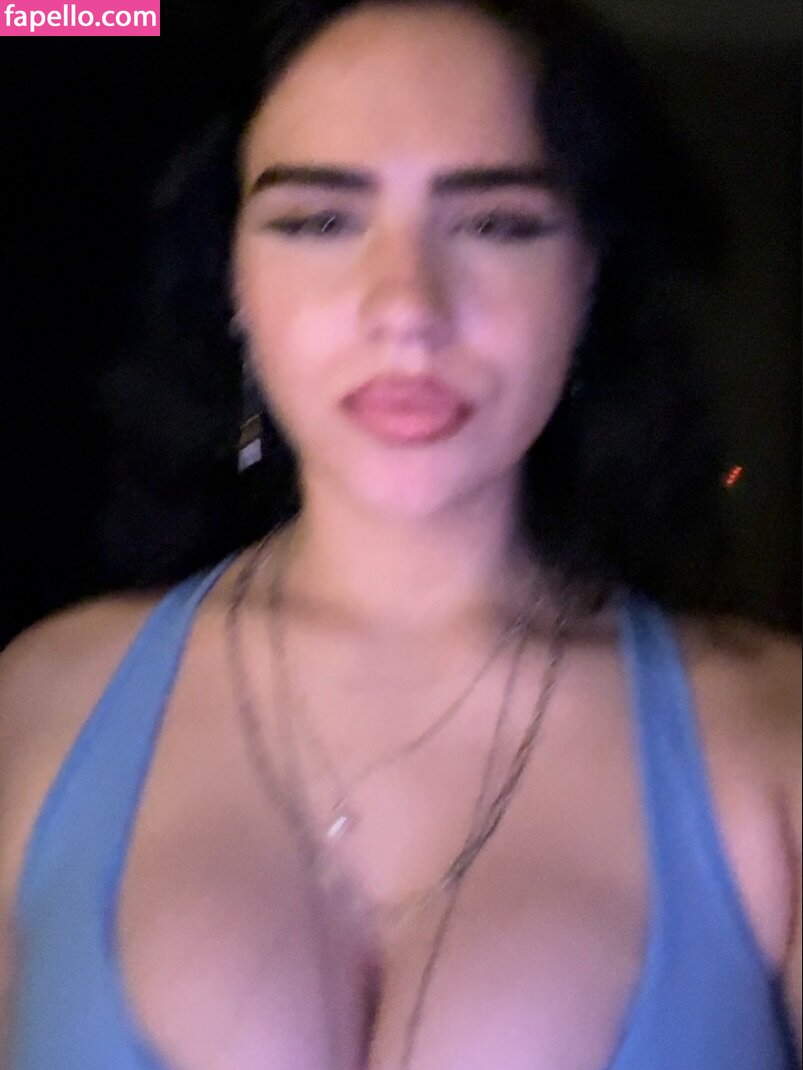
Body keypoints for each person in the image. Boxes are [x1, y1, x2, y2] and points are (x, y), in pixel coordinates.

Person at [0, 0, 800, 1067]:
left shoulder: (772, 740)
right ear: (231, 276)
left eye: (496, 224)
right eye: (318, 222)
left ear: (589, 273)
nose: (406, 307)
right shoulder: (36, 706)